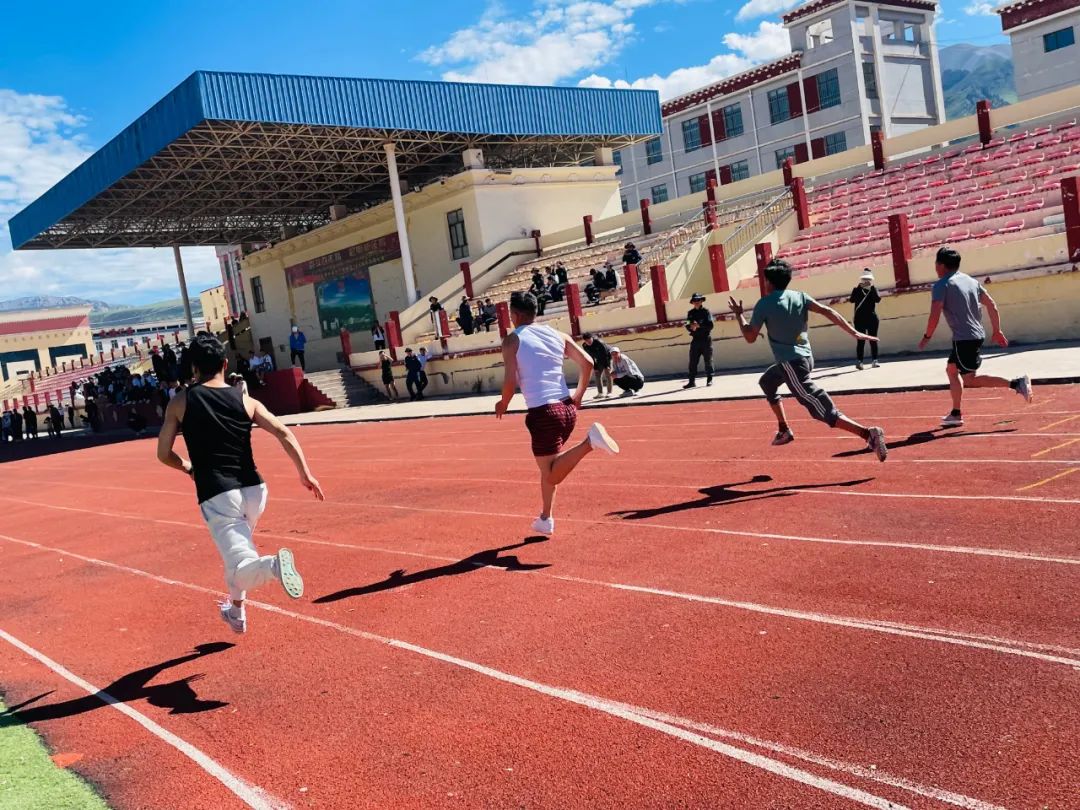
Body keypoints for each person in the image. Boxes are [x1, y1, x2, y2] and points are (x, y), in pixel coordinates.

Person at [156, 333, 323, 635]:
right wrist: (305, 473)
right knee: (236, 554)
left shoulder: (181, 402)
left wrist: (187, 467)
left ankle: (273, 566)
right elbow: (284, 433)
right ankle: (236, 611)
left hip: (218, 494)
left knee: (242, 564)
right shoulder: (246, 401)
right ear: (224, 363)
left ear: (193, 368)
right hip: (255, 491)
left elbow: (163, 454)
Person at [729, 258, 888, 461]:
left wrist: (739, 316)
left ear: (768, 282)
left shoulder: (764, 304)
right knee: (767, 382)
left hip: (791, 365)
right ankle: (784, 429)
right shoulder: (800, 297)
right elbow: (828, 311)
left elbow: (750, 337)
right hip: (804, 358)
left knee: (821, 409)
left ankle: (868, 434)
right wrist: (854, 332)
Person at [495, 291, 619, 536]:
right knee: (550, 467)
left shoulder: (512, 340)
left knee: (551, 474)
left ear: (515, 314)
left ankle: (590, 443)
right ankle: (546, 517)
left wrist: (503, 403)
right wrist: (579, 396)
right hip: (567, 409)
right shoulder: (557, 334)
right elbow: (588, 362)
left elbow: (510, 381)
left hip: (544, 413)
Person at [918, 247, 1032, 427]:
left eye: (935, 264)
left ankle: (1016, 384)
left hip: (964, 339)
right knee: (951, 370)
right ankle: (956, 413)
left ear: (941, 265)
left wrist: (927, 336)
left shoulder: (941, 285)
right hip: (973, 336)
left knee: (970, 380)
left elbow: (935, 313)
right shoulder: (971, 282)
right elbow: (992, 305)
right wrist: (997, 331)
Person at [850, 269, 882, 369]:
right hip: (859, 319)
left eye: (868, 280)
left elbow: (877, 299)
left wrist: (871, 289)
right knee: (860, 341)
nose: (866, 281)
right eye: (864, 279)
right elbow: (852, 300)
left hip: (871, 318)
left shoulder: (873, 289)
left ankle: (875, 360)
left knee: (873, 340)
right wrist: (860, 288)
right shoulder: (856, 289)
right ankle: (860, 361)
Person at [684, 293, 714, 388]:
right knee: (692, 361)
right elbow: (687, 324)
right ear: (692, 302)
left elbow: (711, 325)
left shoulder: (706, 312)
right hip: (695, 340)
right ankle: (691, 381)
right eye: (695, 301)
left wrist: (699, 326)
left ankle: (709, 379)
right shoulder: (690, 313)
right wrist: (691, 328)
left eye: (698, 300)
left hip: (705, 339)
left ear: (701, 301)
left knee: (708, 360)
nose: (696, 302)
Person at [581, 332, 613, 399]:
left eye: (589, 339)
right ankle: (600, 393)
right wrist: (595, 367)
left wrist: (607, 365)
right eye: (586, 341)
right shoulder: (585, 346)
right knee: (597, 375)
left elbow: (605, 354)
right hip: (598, 359)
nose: (588, 342)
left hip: (607, 357)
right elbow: (590, 357)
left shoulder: (599, 343)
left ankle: (609, 392)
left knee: (608, 374)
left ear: (592, 338)